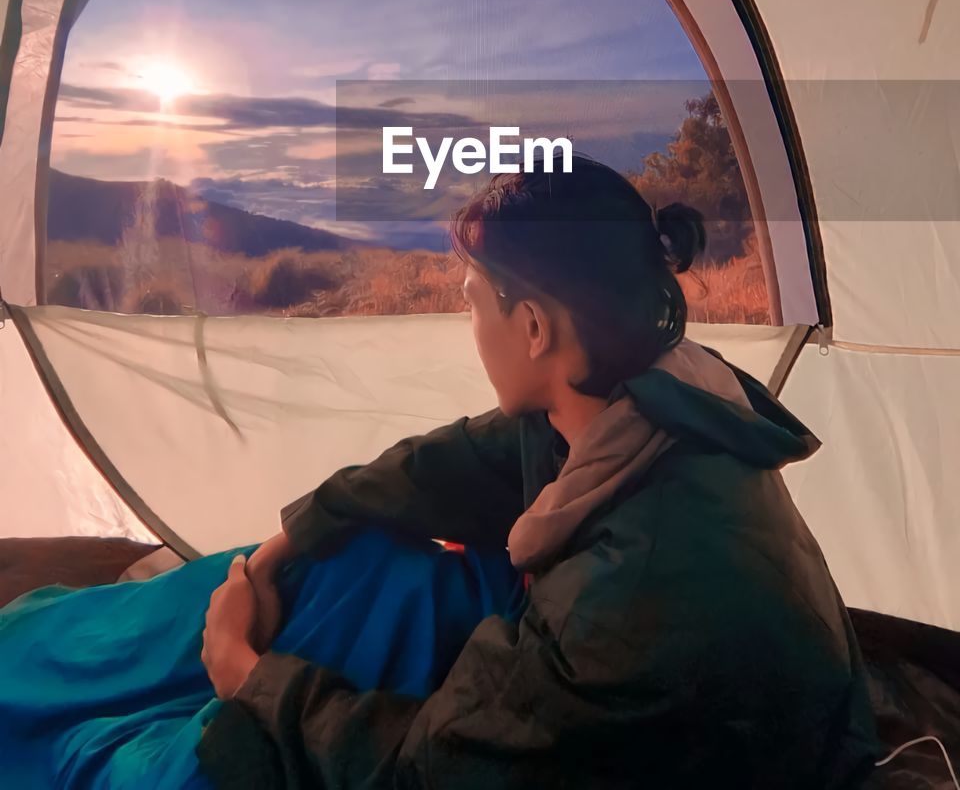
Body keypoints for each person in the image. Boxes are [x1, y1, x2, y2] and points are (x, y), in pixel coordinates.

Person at [0, 153, 879, 788]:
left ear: (533, 328)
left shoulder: (629, 603)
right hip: (576, 653)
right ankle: (27, 657)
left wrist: (248, 680)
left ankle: (87, 739)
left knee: (138, 762)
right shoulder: (635, 396)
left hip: (649, 729)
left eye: (469, 304)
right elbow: (465, 457)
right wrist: (295, 535)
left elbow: (422, 769)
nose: (467, 324)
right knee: (348, 567)